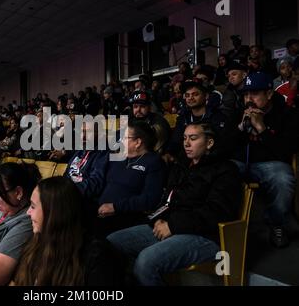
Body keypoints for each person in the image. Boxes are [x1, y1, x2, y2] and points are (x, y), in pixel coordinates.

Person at [107, 122, 242, 285]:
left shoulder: (226, 170)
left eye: (193, 138)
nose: (186, 143)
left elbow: (216, 212)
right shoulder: (182, 165)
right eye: (184, 138)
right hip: (171, 225)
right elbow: (168, 200)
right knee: (112, 243)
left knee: (146, 262)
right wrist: (157, 219)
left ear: (209, 143)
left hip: (204, 235)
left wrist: (173, 225)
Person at [13, 177, 123, 286]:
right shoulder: (37, 242)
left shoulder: (96, 256)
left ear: (54, 213)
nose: (28, 212)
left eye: (33, 206)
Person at [232, 72, 299, 248]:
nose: (249, 99)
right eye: (246, 94)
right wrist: (240, 128)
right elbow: (224, 147)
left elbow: (285, 152)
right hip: (242, 162)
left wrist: (262, 128)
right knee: (221, 170)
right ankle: (226, 224)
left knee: (283, 179)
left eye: (254, 94)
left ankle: (277, 223)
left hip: (272, 164)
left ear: (269, 94)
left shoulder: (287, 114)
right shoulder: (240, 111)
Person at [96, 120, 166, 236]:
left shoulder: (154, 162)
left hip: (126, 219)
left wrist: (115, 207)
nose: (121, 141)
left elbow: (150, 199)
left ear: (138, 142)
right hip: (101, 214)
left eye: (125, 138)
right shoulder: (119, 159)